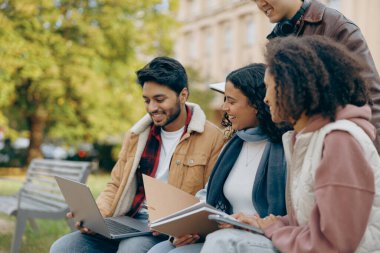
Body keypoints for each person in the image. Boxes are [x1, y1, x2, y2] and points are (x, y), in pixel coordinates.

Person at [200, 36, 380, 253]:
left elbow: (333, 244)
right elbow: (305, 222)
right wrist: (262, 223)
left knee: (224, 243)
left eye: (269, 87)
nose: (265, 99)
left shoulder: (339, 140)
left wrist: (275, 230)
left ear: (294, 86)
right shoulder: (305, 139)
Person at [50, 57, 225, 253]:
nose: (151, 108)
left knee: (131, 248)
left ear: (183, 95)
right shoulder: (138, 135)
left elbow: (212, 198)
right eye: (147, 100)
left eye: (159, 100)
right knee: (63, 247)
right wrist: (96, 216)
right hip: (128, 221)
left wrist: (185, 229)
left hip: (165, 230)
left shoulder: (213, 138)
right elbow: (115, 184)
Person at [147, 63, 289, 253]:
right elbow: (207, 195)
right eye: (224, 100)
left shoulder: (286, 148)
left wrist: (255, 224)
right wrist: (184, 228)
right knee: (159, 250)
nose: (224, 108)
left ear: (257, 103)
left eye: (231, 101)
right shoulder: (233, 145)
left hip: (260, 238)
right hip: (220, 233)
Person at [252, 0, 380, 152]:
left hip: (337, 152)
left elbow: (372, 98)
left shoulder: (336, 26)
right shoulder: (278, 36)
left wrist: (369, 158)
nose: (260, 4)